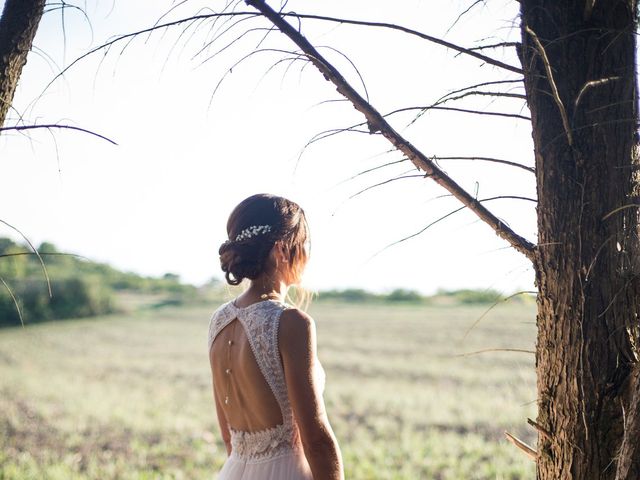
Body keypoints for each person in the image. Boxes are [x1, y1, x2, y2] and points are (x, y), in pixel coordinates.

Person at [207, 193, 344, 480]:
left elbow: (227, 433)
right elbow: (315, 440)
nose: (306, 252)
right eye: (303, 242)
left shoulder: (218, 321)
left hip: (235, 470)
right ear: (282, 250)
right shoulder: (291, 322)